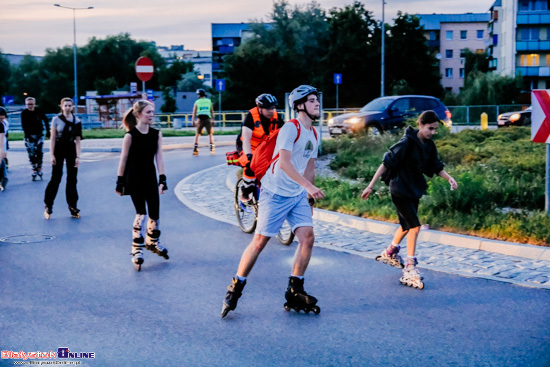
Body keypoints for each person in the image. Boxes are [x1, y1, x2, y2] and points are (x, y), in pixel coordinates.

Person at [221, 85, 326, 318]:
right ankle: (235, 287)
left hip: (296, 194)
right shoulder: (291, 128)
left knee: (307, 238)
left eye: (316, 100)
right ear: (299, 106)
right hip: (275, 192)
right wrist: (308, 186)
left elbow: (310, 166)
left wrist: (308, 195)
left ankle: (295, 289)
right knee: (259, 242)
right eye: (311, 101)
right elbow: (286, 163)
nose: (316, 103)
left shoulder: (314, 133)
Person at [361, 110, 458, 289]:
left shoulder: (429, 145)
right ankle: (410, 266)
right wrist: (370, 186)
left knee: (406, 225)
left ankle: (390, 251)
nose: (433, 132)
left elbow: (435, 166)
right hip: (399, 189)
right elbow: (385, 163)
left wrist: (449, 178)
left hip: (414, 189)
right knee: (414, 226)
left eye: (435, 129)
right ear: (421, 124)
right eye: (430, 128)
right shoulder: (406, 143)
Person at [115, 100, 169, 271]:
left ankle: (152, 242)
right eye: (148, 112)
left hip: (150, 178)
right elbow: (123, 159)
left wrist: (162, 179)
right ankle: (136, 249)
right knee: (141, 214)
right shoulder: (130, 136)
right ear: (138, 115)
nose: (152, 115)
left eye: (153, 112)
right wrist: (120, 181)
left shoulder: (156, 134)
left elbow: (159, 157)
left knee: (155, 215)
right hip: (134, 179)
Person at [238, 93, 284, 201]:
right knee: (250, 165)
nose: (271, 111)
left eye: (273, 108)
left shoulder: (276, 117)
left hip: (263, 147)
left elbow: (285, 134)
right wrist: (249, 155)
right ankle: (246, 189)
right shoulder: (251, 116)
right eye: (267, 108)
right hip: (248, 146)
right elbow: (246, 138)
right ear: (259, 108)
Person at [43, 97, 82, 219]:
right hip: (59, 148)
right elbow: (53, 138)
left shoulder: (77, 120)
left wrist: (78, 156)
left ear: (72, 107)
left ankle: (72, 206)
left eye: (70, 105)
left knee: (72, 179)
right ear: (61, 106)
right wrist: (52, 154)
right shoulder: (56, 119)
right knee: (56, 177)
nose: (68, 107)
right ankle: (48, 205)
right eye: (65, 105)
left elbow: (78, 140)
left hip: (71, 148)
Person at [21, 97, 50, 180]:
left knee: (39, 151)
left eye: (31, 104)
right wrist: (28, 135)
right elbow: (24, 125)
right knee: (31, 152)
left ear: (34, 104)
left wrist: (48, 131)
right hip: (29, 134)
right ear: (26, 105)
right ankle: (34, 168)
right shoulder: (24, 113)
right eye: (28, 104)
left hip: (39, 134)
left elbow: (45, 120)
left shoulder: (39, 111)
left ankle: (40, 167)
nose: (30, 106)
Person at [191, 89, 214, 156]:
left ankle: (195, 147)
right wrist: (213, 119)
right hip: (207, 119)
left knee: (197, 134)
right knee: (209, 133)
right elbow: (212, 111)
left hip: (200, 119)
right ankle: (211, 145)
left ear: (199, 95)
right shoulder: (209, 101)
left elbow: (194, 112)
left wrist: (193, 120)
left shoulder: (197, 102)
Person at [0, 107, 9, 191]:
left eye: (3, 118)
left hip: (1, 145)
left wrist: (2, 151)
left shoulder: (3, 124)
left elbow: (2, 139)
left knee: (1, 162)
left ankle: (4, 179)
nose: (1, 120)